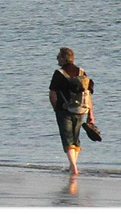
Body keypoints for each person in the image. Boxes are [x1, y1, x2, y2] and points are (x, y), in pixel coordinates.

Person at [47, 47, 97, 175]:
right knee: (75, 138)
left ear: (64, 58)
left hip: (64, 110)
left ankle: (73, 167)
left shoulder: (59, 73)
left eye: (58, 56)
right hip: (81, 109)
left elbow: (52, 94)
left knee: (67, 138)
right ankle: (73, 166)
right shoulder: (82, 72)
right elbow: (88, 95)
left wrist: (56, 109)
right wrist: (91, 113)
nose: (57, 58)